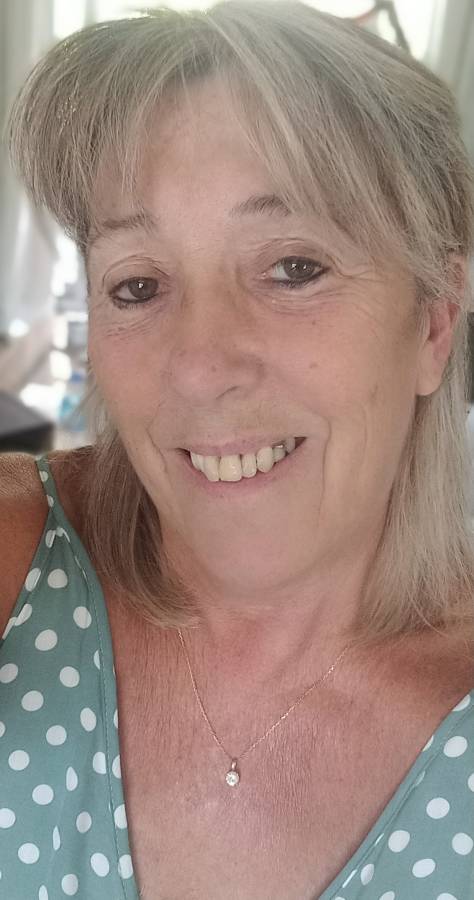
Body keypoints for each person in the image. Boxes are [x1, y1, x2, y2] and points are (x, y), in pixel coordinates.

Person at [1, 2, 474, 897]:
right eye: (138, 285)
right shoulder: (21, 559)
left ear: (435, 321)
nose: (199, 366)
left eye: (294, 267)